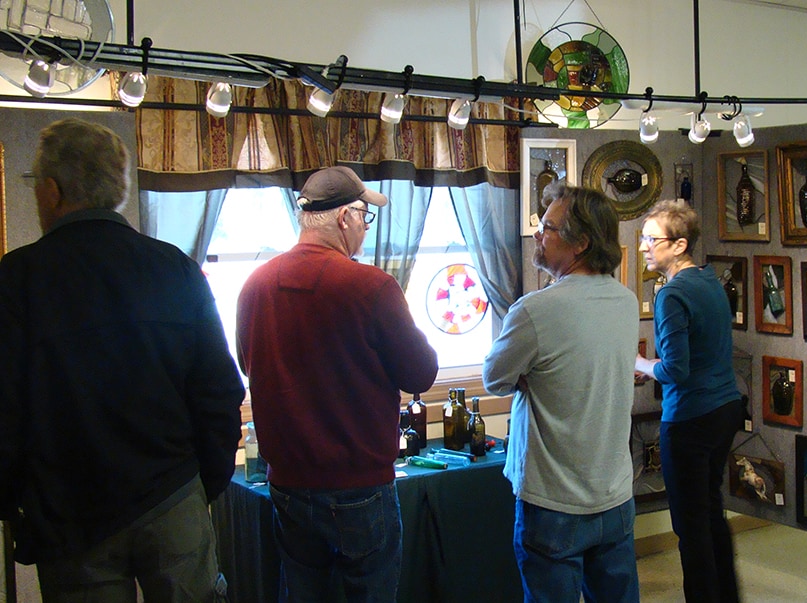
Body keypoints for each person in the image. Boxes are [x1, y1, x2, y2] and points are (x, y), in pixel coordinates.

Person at [0, 118, 246, 602]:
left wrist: (16, 504)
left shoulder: (17, 278)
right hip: (173, 495)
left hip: (70, 514)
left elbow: (4, 410)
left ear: (51, 190)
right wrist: (202, 483)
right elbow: (220, 391)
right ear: (118, 189)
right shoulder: (174, 268)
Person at [236, 166, 438, 602]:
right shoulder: (371, 287)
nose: (367, 227)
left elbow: (248, 365)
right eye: (365, 216)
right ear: (345, 217)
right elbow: (421, 374)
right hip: (359, 486)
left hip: (287, 486)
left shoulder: (255, 285)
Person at [483, 183, 640, 603]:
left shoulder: (535, 310)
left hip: (553, 504)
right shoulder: (626, 301)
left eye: (548, 227)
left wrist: (529, 374)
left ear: (581, 243)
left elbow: (495, 378)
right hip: (615, 496)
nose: (538, 234)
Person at [634, 199, 743, 603]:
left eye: (652, 239)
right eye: (643, 238)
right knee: (710, 513)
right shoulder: (710, 280)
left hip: (690, 419)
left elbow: (675, 370)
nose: (644, 247)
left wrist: (640, 363)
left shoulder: (672, 294)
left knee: (690, 528)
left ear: (679, 245)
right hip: (724, 409)